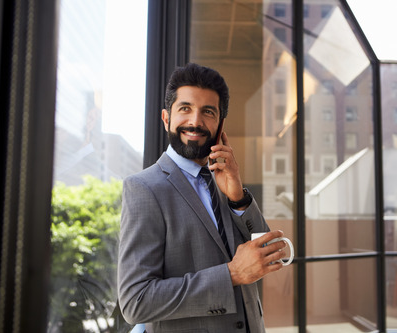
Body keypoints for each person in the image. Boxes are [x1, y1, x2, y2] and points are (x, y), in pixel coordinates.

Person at [117, 63, 288, 333]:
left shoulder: (226, 181)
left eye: (208, 112)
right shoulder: (143, 188)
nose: (195, 121)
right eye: (185, 108)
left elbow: (270, 254)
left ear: (220, 125)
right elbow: (136, 302)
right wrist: (231, 275)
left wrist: (238, 197)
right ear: (166, 118)